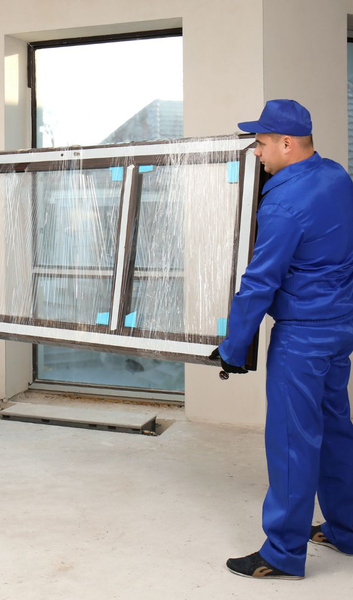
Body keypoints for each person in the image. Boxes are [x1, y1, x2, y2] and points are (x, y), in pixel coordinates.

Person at [210, 99, 353, 579]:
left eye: (263, 142)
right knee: (335, 430)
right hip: (339, 330)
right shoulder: (337, 177)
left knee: (293, 441)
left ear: (287, 144)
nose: (257, 152)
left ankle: (283, 553)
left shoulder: (285, 201)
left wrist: (232, 349)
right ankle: (347, 529)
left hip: (303, 338)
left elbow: (259, 282)